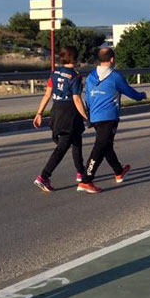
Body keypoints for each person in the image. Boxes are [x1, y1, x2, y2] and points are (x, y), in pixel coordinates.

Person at [78, 48, 147, 194]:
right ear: (112, 60)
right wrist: (141, 96)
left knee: (106, 144)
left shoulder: (91, 76)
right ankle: (86, 180)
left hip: (95, 116)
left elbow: (88, 98)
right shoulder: (115, 77)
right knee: (100, 147)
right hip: (109, 117)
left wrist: (89, 115)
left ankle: (119, 171)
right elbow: (130, 92)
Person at [32, 46, 89, 192]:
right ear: (75, 59)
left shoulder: (54, 73)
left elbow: (47, 94)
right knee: (63, 146)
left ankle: (81, 172)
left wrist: (39, 113)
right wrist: (86, 116)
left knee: (76, 140)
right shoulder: (76, 76)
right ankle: (44, 176)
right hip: (69, 113)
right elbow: (76, 99)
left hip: (56, 111)